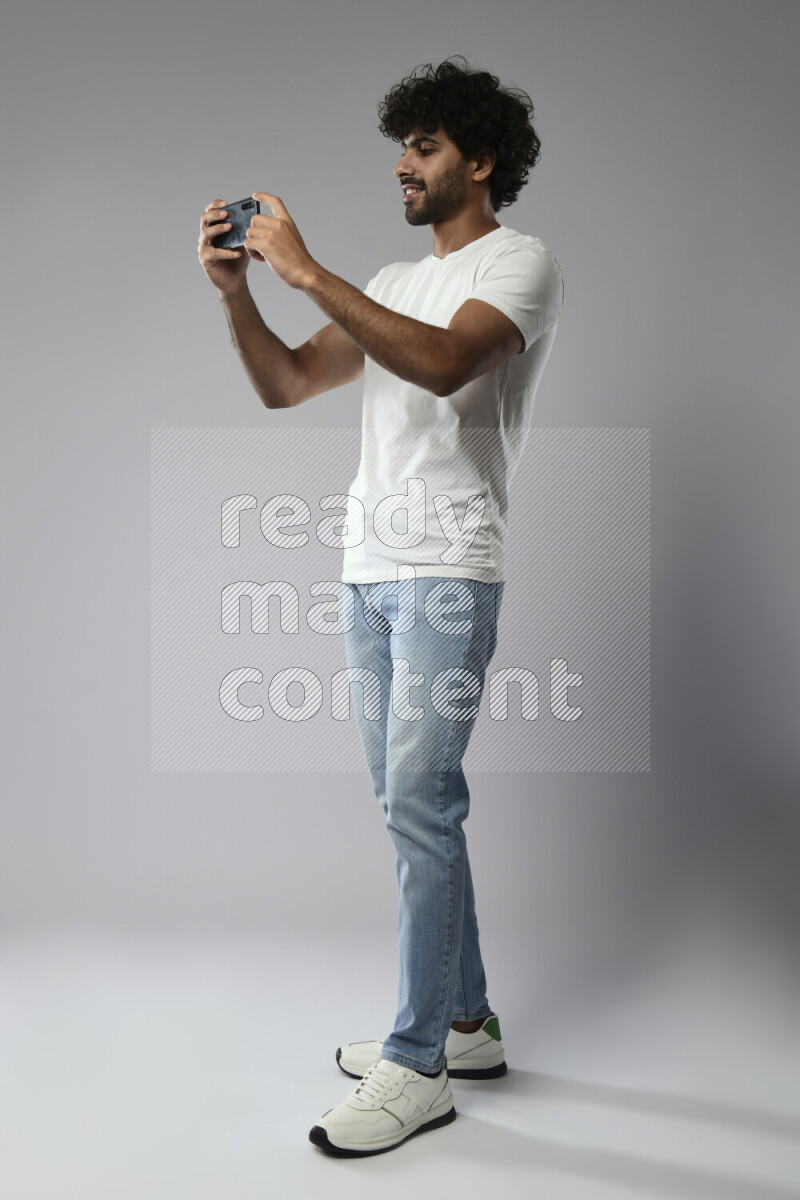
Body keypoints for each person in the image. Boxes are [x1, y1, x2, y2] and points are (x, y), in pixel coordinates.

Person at [197, 56, 564, 1157]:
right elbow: (286, 385)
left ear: (480, 161)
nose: (403, 166)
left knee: (418, 800)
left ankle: (417, 1067)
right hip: (368, 567)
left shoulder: (520, 263)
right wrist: (240, 293)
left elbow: (449, 365)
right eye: (400, 147)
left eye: (425, 147)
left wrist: (306, 271)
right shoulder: (390, 281)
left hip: (448, 570)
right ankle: (465, 1024)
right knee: (408, 799)